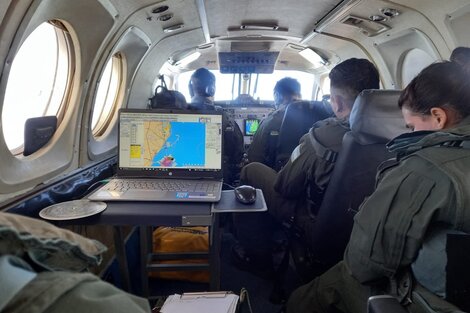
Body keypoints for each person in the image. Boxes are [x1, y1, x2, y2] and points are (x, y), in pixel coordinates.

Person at [286, 61, 470, 313]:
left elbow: (365, 263)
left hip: (426, 303)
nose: (408, 133)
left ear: (439, 117)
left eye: (412, 127)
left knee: (306, 297)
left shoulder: (423, 171)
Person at [231, 58, 380, 274]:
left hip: (320, 225)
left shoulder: (322, 137)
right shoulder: (404, 133)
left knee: (251, 170)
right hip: (371, 224)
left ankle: (257, 257)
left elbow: (285, 186)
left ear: (336, 102)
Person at [188, 68, 244, 185]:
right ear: (211, 89)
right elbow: (237, 152)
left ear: (190, 89)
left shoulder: (180, 112)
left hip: (185, 176)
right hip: (216, 178)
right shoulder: (223, 116)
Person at [246, 77, 301, 166]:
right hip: (306, 175)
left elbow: (254, 157)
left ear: (277, 95)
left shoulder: (270, 121)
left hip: (278, 176)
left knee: (249, 168)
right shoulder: (314, 116)